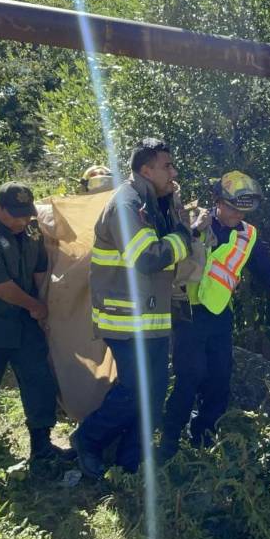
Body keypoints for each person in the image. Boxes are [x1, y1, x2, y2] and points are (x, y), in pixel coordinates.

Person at [70, 138, 195, 479]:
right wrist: (185, 236)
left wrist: (176, 213)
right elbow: (147, 258)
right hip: (124, 318)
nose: (174, 172)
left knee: (154, 393)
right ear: (146, 170)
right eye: (167, 166)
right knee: (135, 389)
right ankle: (87, 440)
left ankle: (131, 461)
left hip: (151, 318)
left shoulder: (154, 202)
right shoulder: (126, 203)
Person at [159, 171, 270, 460]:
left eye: (243, 210)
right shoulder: (194, 220)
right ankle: (169, 441)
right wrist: (194, 231)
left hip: (219, 315)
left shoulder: (249, 234)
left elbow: (263, 264)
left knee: (219, 378)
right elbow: (171, 257)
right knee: (189, 377)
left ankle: (203, 437)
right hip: (188, 313)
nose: (237, 215)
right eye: (232, 208)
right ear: (217, 201)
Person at [0, 182, 72, 466]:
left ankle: (42, 447)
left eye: (26, 214)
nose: (21, 221)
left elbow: (40, 269)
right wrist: (36, 306)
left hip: (22, 321)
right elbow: (1, 286)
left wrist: (43, 302)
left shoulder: (32, 230)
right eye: (15, 215)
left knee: (39, 379)